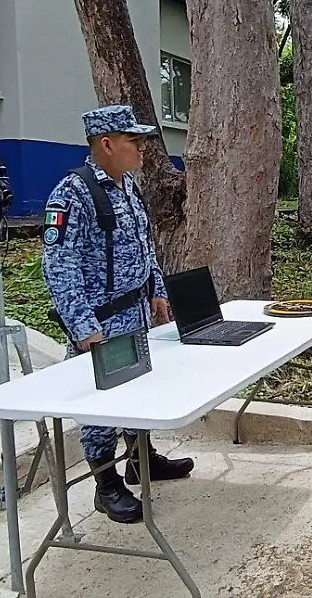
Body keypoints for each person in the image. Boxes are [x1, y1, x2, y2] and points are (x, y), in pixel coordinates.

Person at [41, 105, 194, 525]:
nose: (143, 147)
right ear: (107, 144)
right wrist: (83, 326)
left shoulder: (128, 187)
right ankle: (106, 485)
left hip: (136, 313)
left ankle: (143, 461)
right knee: (101, 407)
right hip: (102, 322)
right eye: (134, 141)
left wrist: (157, 291)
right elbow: (59, 265)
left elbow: (145, 247)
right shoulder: (72, 193)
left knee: (138, 392)